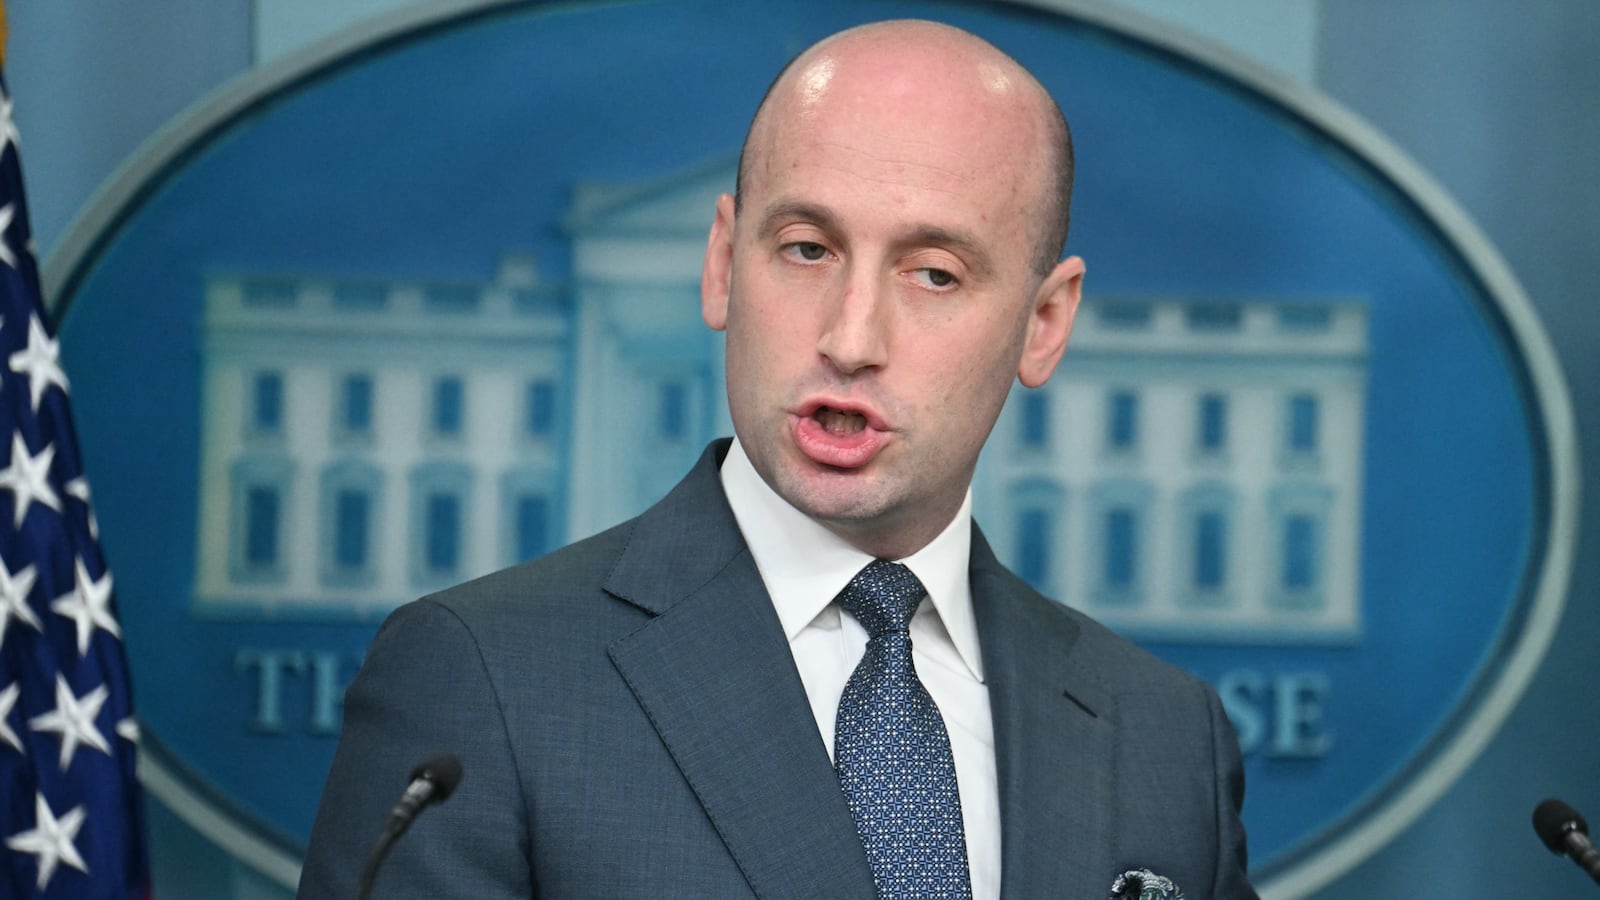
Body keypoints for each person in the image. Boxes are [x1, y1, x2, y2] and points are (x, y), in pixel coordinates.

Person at [298, 19, 1256, 900]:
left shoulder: (1167, 737)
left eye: (934, 274)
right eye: (806, 250)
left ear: (1043, 325)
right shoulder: (485, 680)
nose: (851, 338)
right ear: (723, 265)